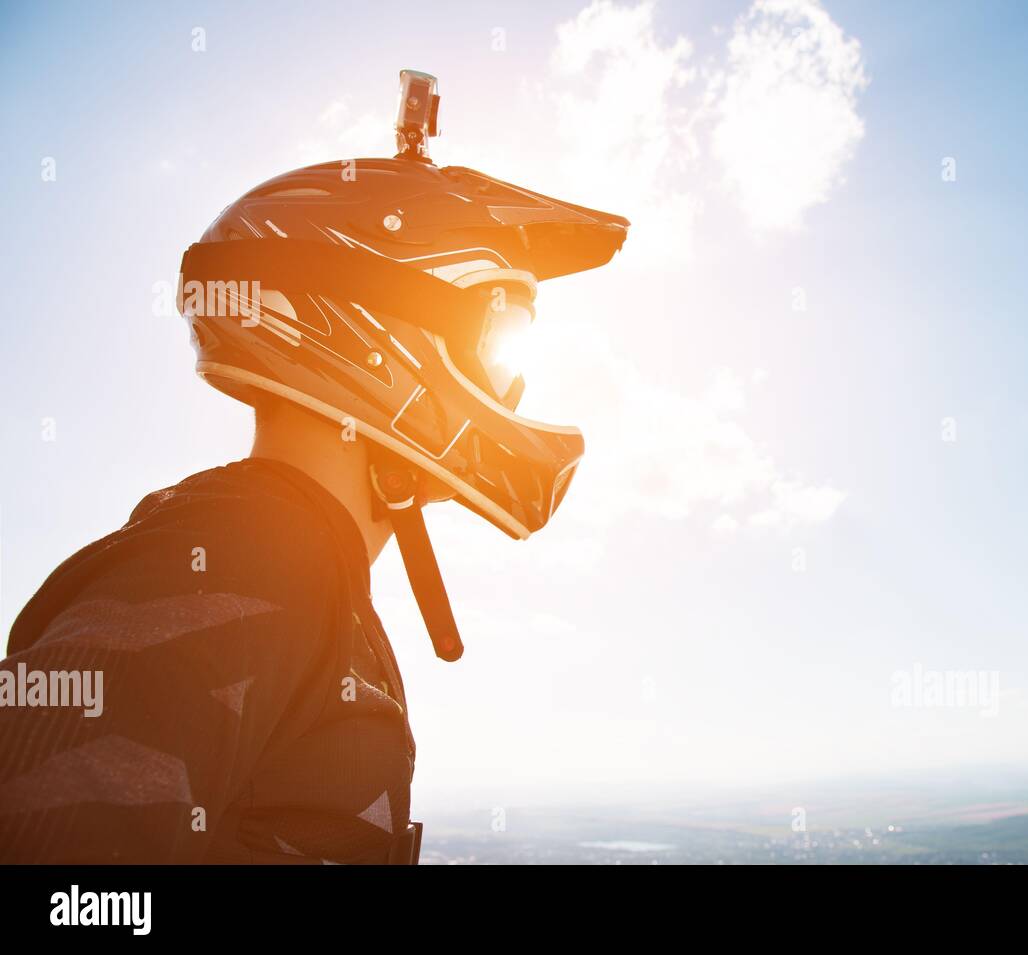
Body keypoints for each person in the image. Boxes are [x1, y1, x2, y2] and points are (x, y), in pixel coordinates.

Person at [0, 71, 628, 863]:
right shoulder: (228, 566)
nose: (514, 383)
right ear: (369, 333)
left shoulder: (302, 576)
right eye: (498, 332)